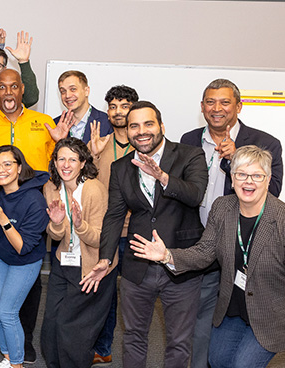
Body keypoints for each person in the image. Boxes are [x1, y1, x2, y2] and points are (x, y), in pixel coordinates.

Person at [131, 145, 285, 368]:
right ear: (232, 178)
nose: (248, 181)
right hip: (235, 305)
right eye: (241, 174)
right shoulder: (222, 208)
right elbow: (204, 252)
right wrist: (167, 256)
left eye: (257, 176)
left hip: (273, 312)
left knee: (242, 364)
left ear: (268, 179)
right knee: (217, 360)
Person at [178, 79, 284, 368]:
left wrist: (237, 158)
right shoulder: (188, 139)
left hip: (240, 247)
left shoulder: (265, 143)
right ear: (202, 107)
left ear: (238, 106)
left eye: (225, 102)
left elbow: (272, 192)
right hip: (198, 240)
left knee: (232, 316)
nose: (217, 108)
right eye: (210, 102)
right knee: (197, 317)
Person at [99, 101, 208, 368]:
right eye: (134, 126)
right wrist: (105, 258)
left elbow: (195, 195)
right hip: (137, 267)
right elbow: (114, 215)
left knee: (179, 341)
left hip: (180, 265)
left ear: (161, 125)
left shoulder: (190, 155)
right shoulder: (121, 166)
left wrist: (162, 176)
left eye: (148, 124)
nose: (141, 131)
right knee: (134, 336)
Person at [0, 68, 55, 361]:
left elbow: (58, 166)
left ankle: (20, 346)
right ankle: (3, 346)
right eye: (1, 87)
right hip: (2, 206)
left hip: (30, 211)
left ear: (22, 90)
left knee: (23, 297)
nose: (8, 93)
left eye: (13, 87)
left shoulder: (43, 123)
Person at [39, 138, 116, 368]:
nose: (66, 164)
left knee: (72, 329)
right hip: (64, 262)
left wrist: (80, 225)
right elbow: (55, 236)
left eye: (73, 159)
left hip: (92, 265)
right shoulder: (51, 188)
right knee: (51, 324)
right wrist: (56, 223)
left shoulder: (94, 189)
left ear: (83, 163)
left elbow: (101, 240)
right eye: (61, 158)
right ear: (54, 161)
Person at [0, 145, 49, 368]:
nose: (1, 170)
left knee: (7, 311)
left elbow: (23, 247)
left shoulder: (35, 200)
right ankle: (8, 357)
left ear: (19, 168)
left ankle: (17, 364)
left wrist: (4, 220)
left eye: (8, 164)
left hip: (24, 261)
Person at [84, 85, 138, 365]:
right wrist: (93, 154)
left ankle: (135, 349)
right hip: (106, 230)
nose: (118, 112)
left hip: (137, 231)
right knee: (104, 293)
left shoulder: (144, 144)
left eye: (124, 106)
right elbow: (86, 180)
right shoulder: (100, 143)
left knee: (134, 293)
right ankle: (102, 348)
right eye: (113, 107)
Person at [53, 71, 111, 143]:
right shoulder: (55, 124)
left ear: (86, 91)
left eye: (73, 89)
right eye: (63, 91)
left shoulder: (106, 122)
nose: (67, 95)